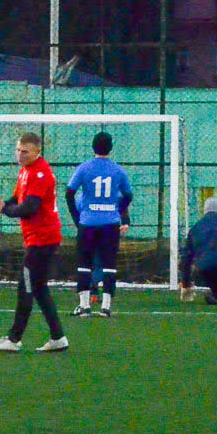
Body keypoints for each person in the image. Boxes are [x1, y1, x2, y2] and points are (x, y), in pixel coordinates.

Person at [0, 132, 68, 352]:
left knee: (26, 287)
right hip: (36, 238)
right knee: (39, 289)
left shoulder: (41, 173)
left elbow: (29, 208)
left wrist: (4, 209)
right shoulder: (26, 171)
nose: (20, 155)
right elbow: (18, 200)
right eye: (18, 150)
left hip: (43, 239)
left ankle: (13, 339)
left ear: (37, 152)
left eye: (25, 151)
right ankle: (58, 337)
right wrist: (3, 203)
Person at [65, 132, 133, 317]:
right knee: (109, 264)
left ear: (93, 147)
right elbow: (128, 195)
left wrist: (76, 218)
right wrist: (116, 211)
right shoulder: (118, 170)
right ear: (110, 148)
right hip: (110, 224)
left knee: (84, 264)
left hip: (87, 223)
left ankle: (84, 306)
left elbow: (69, 192)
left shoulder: (84, 168)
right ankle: (106, 307)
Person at [75, 191, 131, 305]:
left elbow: (78, 210)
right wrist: (125, 221)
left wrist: (80, 225)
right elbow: (123, 201)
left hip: (89, 231)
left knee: (90, 262)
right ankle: (104, 298)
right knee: (104, 262)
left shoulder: (83, 195)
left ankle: (90, 294)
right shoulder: (111, 192)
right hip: (107, 231)